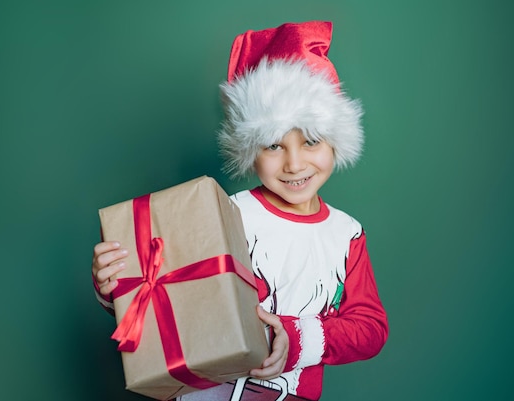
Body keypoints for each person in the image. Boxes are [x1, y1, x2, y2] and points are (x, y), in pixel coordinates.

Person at [92, 21, 388, 401]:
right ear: (250, 151)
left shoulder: (346, 233)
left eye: (311, 141)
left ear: (336, 142)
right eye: (273, 145)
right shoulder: (225, 214)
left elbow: (370, 328)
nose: (294, 164)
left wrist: (297, 338)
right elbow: (164, 294)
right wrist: (116, 284)